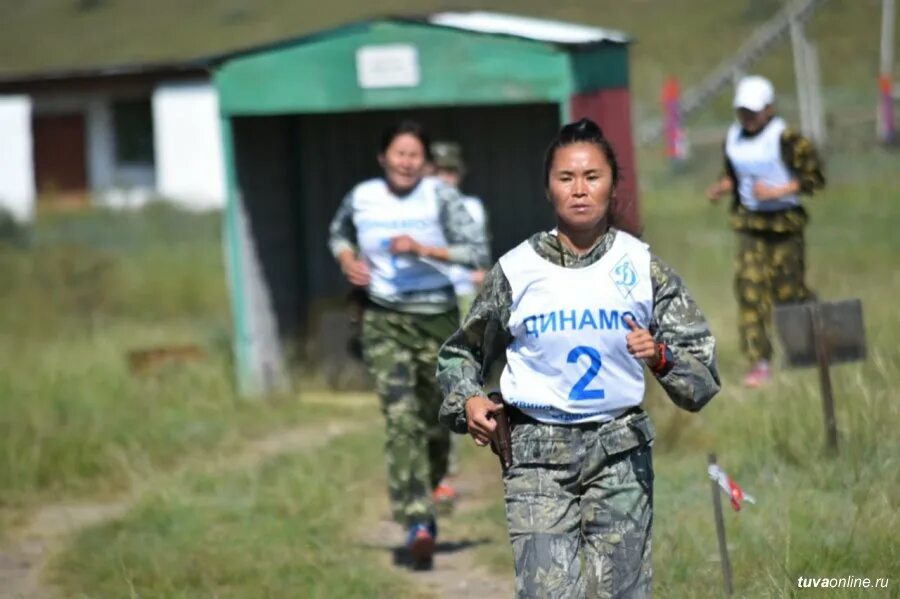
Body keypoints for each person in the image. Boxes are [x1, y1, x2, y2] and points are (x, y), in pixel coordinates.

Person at [437, 118, 720, 597]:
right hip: (535, 457)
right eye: (566, 178)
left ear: (613, 185)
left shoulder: (641, 267)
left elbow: (702, 379)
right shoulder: (516, 270)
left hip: (620, 453)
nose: (580, 190)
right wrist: (468, 401)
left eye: (592, 177)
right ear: (548, 188)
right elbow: (460, 353)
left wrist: (661, 357)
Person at [328, 120, 489, 570]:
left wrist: (424, 249)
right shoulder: (362, 197)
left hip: (436, 319)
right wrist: (348, 261)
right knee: (400, 419)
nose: (406, 162)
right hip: (383, 318)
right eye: (399, 154)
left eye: (415, 155)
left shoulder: (441, 197)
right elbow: (338, 234)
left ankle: (430, 487)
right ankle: (417, 519)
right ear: (383, 158)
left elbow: (474, 251)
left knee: (438, 421)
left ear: (426, 162)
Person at [706, 75, 825, 388]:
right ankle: (759, 362)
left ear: (769, 109)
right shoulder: (733, 137)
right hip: (750, 226)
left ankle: (812, 342)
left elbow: (814, 179)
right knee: (750, 290)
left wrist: (778, 191)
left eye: (753, 111)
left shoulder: (787, 138)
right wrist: (721, 187)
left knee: (789, 294)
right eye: (742, 111)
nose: (747, 117)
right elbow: (734, 175)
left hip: (784, 226)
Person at [428, 140, 492, 510]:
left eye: (450, 171)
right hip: (427, 304)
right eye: (438, 171)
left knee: (451, 384)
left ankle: (445, 474)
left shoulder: (470, 208)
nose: (445, 178)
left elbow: (478, 255)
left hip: (462, 302)